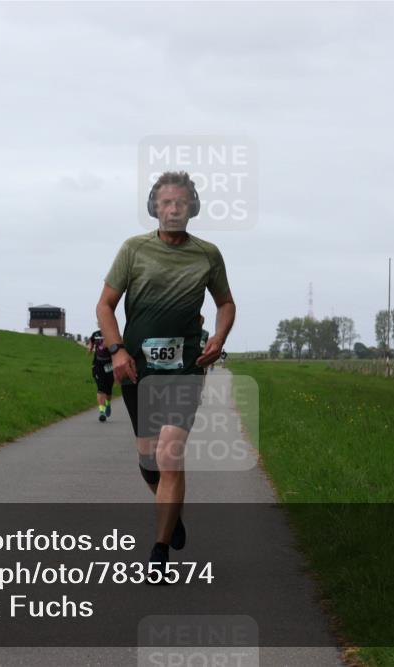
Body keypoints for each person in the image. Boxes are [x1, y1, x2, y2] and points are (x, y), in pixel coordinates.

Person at [96, 171, 235, 581]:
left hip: (185, 368)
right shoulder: (133, 250)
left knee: (170, 453)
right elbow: (105, 305)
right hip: (137, 366)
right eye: (165, 203)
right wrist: (117, 349)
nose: (173, 209)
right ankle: (170, 514)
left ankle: (158, 552)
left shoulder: (207, 254)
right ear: (154, 208)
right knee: (148, 458)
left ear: (191, 206)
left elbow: (226, 303)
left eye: (180, 203)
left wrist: (219, 338)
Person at [88, 328, 114, 421]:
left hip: (109, 364)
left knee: (108, 389)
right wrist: (90, 347)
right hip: (98, 364)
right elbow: (91, 341)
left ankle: (107, 403)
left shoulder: (112, 332)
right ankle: (101, 412)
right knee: (100, 388)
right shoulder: (95, 334)